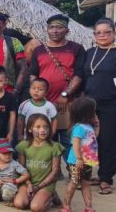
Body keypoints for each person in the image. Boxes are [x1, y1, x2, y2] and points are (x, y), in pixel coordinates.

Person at [82, 18, 116, 195]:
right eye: (99, 32)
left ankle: (106, 178)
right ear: (94, 35)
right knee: (90, 141)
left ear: (114, 33)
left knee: (110, 142)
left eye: (107, 32)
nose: (103, 35)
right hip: (90, 104)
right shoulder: (89, 52)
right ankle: (94, 175)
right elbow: (84, 78)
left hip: (113, 104)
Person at [28, 14, 85, 152]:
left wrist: (65, 94)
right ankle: (55, 172)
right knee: (47, 141)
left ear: (67, 30)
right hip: (44, 104)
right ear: (47, 30)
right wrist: (38, 95)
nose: (55, 30)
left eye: (59, 27)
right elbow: (33, 74)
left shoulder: (76, 48)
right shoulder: (39, 50)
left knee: (69, 141)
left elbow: (79, 74)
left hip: (68, 103)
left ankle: (73, 173)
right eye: (51, 27)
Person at [14, 114, 62, 212]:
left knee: (36, 207)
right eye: (38, 127)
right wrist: (29, 184)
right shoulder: (23, 145)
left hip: (45, 184)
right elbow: (22, 169)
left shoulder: (54, 146)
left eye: (46, 127)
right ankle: (36, 196)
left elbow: (55, 171)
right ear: (30, 129)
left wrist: (38, 187)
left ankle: (51, 196)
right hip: (28, 182)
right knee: (20, 204)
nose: (43, 130)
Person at [61, 97, 99, 212]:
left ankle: (88, 206)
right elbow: (76, 143)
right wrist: (78, 158)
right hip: (76, 161)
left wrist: (97, 125)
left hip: (87, 160)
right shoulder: (79, 127)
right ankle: (66, 205)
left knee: (86, 183)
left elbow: (94, 137)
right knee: (73, 182)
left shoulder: (89, 126)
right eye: (93, 110)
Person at [0, 138, 29, 204]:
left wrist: (15, 181)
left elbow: (26, 174)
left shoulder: (14, 164)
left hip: (10, 184)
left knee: (8, 189)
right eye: (4, 154)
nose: (8, 156)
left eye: (10, 153)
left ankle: (10, 199)